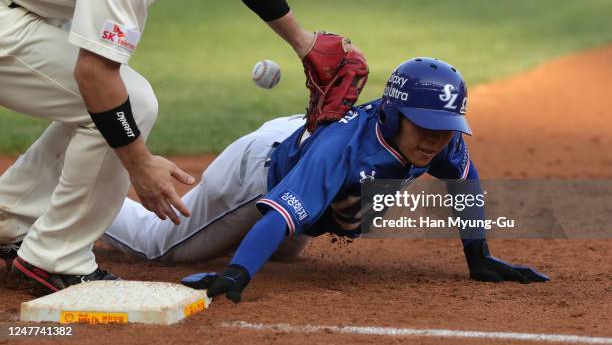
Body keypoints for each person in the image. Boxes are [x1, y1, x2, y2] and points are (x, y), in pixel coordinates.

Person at [0, 0, 368, 293]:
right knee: (132, 102)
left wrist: (304, 43)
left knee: (111, 104)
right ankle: (56, 257)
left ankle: (10, 218)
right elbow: (94, 73)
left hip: (24, 7)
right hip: (9, 14)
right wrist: (139, 163)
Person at [101, 57, 549, 303]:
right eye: (425, 128)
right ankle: (58, 197)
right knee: (164, 247)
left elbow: (465, 181)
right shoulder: (343, 148)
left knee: (297, 240)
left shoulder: (442, 134)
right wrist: (236, 276)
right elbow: (281, 212)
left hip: (300, 140)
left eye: (445, 128)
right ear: (394, 115)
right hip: (258, 172)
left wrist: (479, 255)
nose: (436, 140)